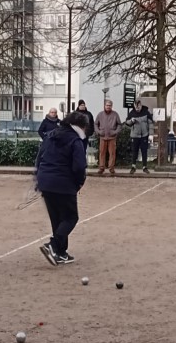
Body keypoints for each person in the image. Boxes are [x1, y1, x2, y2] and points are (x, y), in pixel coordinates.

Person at [36, 111, 89, 266]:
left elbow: (39, 158)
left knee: (57, 219)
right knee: (71, 217)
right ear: (80, 126)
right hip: (63, 183)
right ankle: (53, 245)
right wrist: (79, 182)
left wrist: (39, 178)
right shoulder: (75, 140)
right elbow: (79, 166)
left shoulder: (51, 135)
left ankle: (60, 252)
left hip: (45, 180)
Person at [125, 98, 153, 174]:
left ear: (141, 105)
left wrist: (151, 134)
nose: (137, 108)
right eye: (136, 106)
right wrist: (131, 121)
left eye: (138, 106)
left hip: (144, 135)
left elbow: (150, 123)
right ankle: (133, 167)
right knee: (134, 151)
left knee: (144, 151)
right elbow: (127, 122)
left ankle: (144, 167)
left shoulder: (146, 112)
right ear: (134, 106)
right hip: (135, 135)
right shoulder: (132, 113)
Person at [95, 99, 122, 176]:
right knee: (102, 153)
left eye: (109, 105)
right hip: (102, 137)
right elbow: (95, 124)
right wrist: (99, 132)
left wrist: (115, 132)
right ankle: (101, 168)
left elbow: (119, 125)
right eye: (107, 105)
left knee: (112, 153)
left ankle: (111, 168)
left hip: (112, 138)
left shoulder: (115, 114)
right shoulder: (100, 114)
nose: (108, 107)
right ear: (104, 106)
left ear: (112, 106)